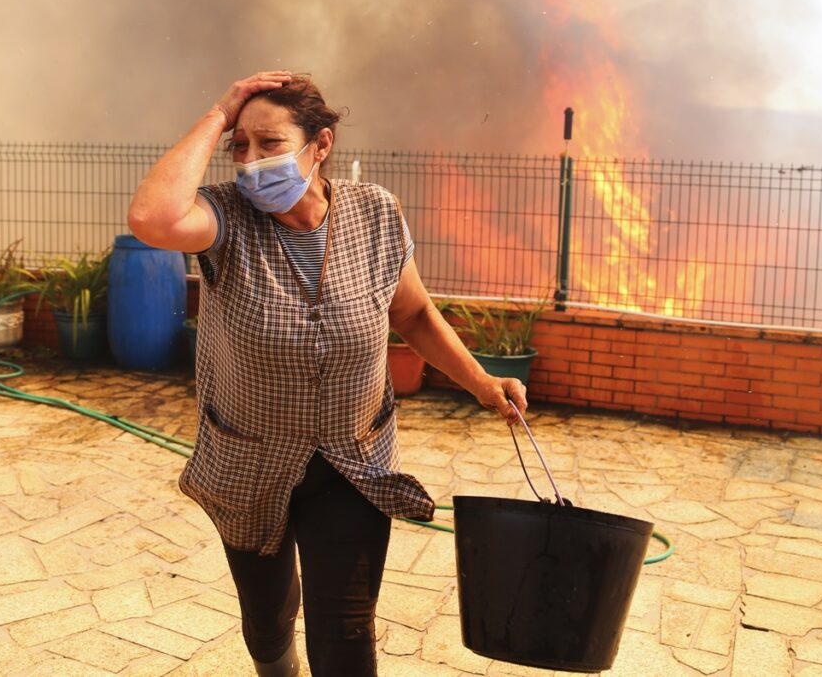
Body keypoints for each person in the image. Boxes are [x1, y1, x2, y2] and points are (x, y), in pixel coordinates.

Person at [127, 71, 528, 677]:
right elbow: (153, 217)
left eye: (270, 144)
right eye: (241, 147)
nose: (251, 162)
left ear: (321, 145)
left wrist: (482, 384)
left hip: (354, 459)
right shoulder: (226, 217)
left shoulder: (375, 214)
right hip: (249, 460)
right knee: (268, 615)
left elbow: (413, 313)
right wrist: (218, 114)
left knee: (344, 634)